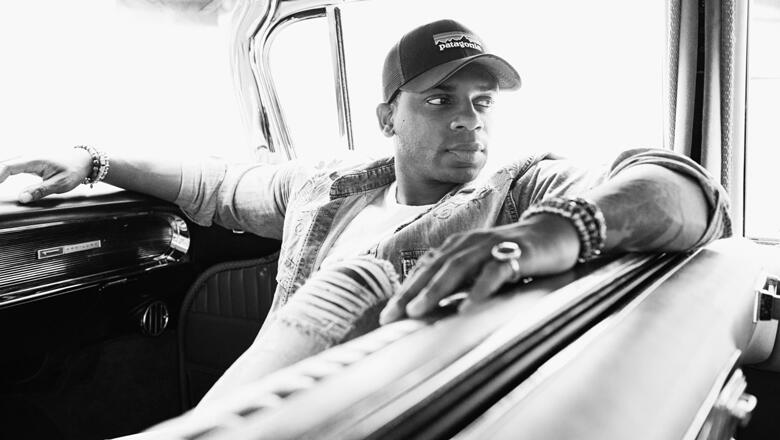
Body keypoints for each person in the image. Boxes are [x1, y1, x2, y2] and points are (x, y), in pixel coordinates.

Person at [0, 19, 729, 406]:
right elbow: (215, 183)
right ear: (387, 118)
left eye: (481, 102)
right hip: (275, 399)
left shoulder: (519, 190)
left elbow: (685, 192)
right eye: (439, 99)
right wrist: (95, 160)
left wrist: (548, 233)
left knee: (354, 286)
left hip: (397, 412)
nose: (469, 119)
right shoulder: (325, 187)